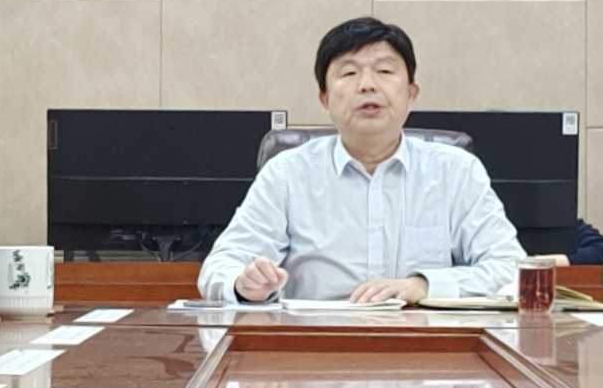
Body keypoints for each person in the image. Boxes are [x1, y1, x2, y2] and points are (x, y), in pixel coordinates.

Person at [200, 18, 526, 305]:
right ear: (325, 99)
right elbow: (220, 267)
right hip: (313, 346)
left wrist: (424, 285)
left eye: (384, 71)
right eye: (349, 72)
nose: (367, 84)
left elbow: (511, 269)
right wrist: (244, 284)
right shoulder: (287, 173)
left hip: (423, 345)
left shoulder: (456, 171)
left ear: (411, 93)